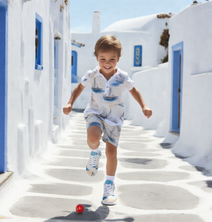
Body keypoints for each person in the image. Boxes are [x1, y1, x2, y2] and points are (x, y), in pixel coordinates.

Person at [63, 35, 152, 205]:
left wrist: (144, 106)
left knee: (111, 153)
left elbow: (134, 91)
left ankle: (109, 187)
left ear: (118, 59)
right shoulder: (92, 75)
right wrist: (69, 102)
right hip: (95, 112)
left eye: (112, 58)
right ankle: (95, 152)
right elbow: (79, 88)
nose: (107, 62)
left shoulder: (123, 77)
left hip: (114, 117)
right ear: (97, 58)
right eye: (103, 58)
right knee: (93, 137)